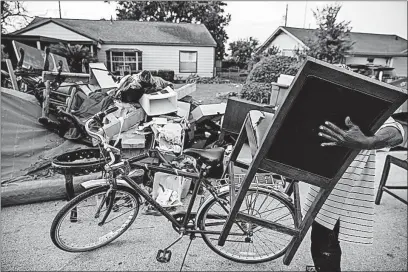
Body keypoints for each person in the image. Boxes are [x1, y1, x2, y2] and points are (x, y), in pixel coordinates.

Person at [303, 116, 405, 272]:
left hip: (342, 180)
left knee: (324, 235)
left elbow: (397, 132)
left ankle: (326, 268)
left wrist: (368, 141)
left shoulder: (362, 103)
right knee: (320, 229)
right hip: (324, 173)